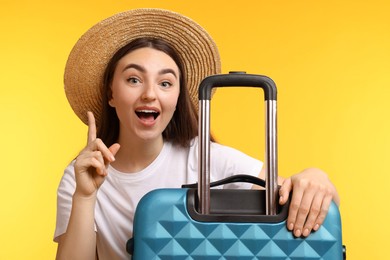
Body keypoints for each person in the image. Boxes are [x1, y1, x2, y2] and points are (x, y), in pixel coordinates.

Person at [54, 8, 340, 260]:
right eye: (133, 79)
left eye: (165, 83)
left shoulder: (207, 159)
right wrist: (84, 196)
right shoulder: (81, 176)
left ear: (178, 97)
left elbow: (298, 201)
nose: (150, 94)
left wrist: (316, 177)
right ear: (111, 94)